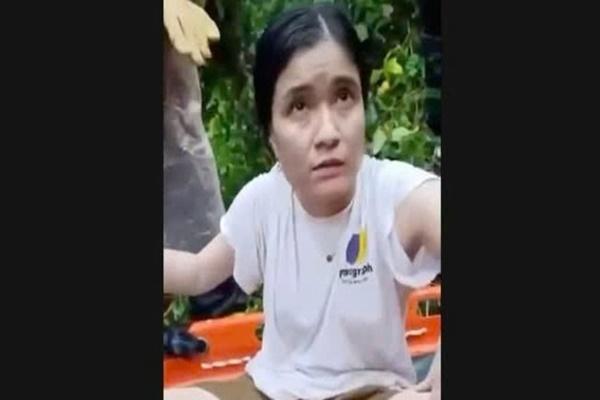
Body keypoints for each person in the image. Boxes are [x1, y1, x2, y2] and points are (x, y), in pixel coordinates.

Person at [164, 3, 441, 400]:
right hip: (272, 390)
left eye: (344, 96)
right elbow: (196, 272)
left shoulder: (391, 195)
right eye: (299, 106)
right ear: (271, 136)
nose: (328, 132)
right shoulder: (264, 201)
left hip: (369, 390)